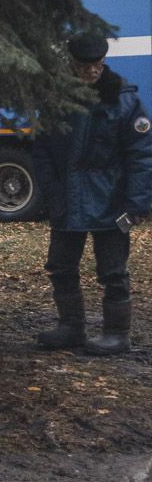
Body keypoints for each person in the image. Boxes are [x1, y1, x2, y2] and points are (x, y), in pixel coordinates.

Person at [32, 34, 152, 355]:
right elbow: (41, 150)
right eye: (84, 66)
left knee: (113, 271)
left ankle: (117, 334)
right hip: (67, 199)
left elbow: (141, 156)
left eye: (97, 65)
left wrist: (137, 204)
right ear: (72, 64)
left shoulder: (125, 101)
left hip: (111, 201)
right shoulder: (57, 99)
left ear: (104, 62)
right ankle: (71, 327)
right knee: (60, 266)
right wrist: (52, 192)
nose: (91, 71)